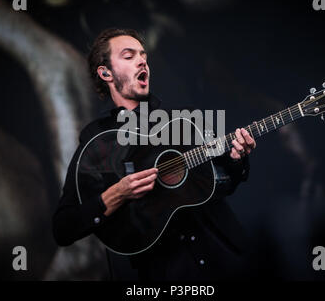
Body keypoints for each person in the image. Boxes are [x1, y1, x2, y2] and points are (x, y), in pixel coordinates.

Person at [52, 28, 256, 280]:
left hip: (223, 257)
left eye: (143, 55)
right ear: (105, 73)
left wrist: (237, 160)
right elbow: (64, 227)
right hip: (163, 273)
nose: (142, 61)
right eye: (129, 56)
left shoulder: (186, 120)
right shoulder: (97, 139)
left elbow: (224, 181)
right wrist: (117, 193)